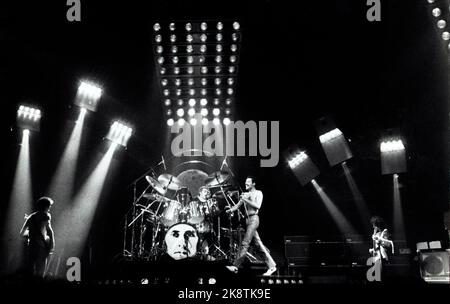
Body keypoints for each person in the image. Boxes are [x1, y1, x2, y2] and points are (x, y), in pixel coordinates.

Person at [225, 176, 277, 276]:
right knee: (258, 244)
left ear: (253, 183)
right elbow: (237, 205)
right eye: (245, 182)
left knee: (245, 242)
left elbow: (258, 206)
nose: (246, 183)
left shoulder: (258, 193)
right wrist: (230, 210)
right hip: (247, 220)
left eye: (248, 182)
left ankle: (235, 266)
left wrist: (246, 199)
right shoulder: (246, 194)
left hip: (254, 219)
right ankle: (272, 266)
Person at [19, 197, 55, 278]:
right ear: (46, 206)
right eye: (49, 206)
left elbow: (21, 233)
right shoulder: (46, 215)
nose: (49, 208)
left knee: (30, 270)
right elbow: (49, 231)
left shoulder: (31, 217)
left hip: (31, 246)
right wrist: (51, 244)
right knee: (40, 272)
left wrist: (32, 232)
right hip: (41, 247)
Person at [369, 215, 394, 281]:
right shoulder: (376, 234)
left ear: (377, 225)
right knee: (377, 277)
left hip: (382, 258)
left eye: (374, 225)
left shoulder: (385, 232)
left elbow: (388, 244)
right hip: (377, 257)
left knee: (382, 276)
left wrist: (379, 241)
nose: (373, 227)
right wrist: (372, 249)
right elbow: (375, 247)